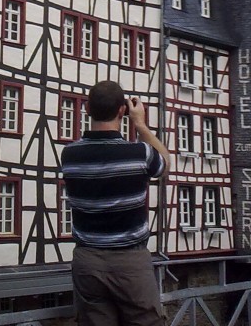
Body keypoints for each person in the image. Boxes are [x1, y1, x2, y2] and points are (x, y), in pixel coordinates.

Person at [60, 80, 171, 326]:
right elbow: (165, 164)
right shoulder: (140, 153)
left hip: (87, 261)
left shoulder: (69, 155)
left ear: (87, 109)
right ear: (122, 110)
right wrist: (140, 124)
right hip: (130, 262)